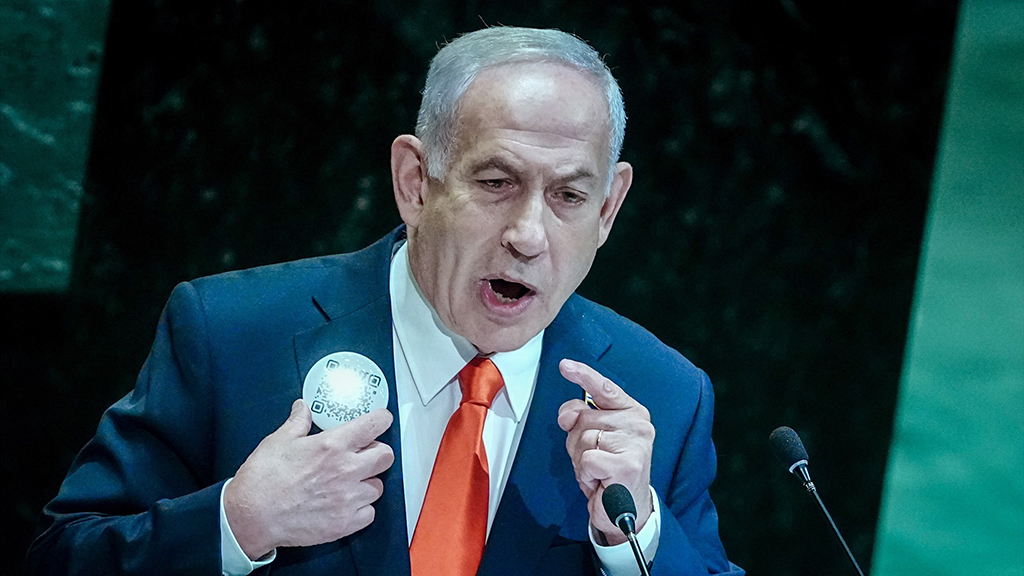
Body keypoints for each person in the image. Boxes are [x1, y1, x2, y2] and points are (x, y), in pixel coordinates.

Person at [26, 26, 744, 576]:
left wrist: (636, 536)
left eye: (569, 196)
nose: (528, 235)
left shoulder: (663, 395)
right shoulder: (230, 335)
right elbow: (61, 557)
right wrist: (236, 522)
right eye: (496, 183)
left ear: (609, 208)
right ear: (415, 182)